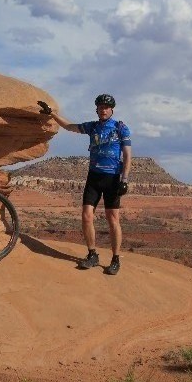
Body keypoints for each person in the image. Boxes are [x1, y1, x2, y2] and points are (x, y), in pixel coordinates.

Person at [38, 94, 132, 275]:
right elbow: (69, 126)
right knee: (86, 216)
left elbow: (128, 155)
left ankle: (115, 259)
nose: (103, 110)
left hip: (112, 178)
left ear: (112, 109)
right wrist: (51, 114)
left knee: (113, 219)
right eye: (100, 107)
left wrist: (125, 180)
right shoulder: (92, 127)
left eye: (106, 107)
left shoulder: (121, 128)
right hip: (94, 177)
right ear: (96, 109)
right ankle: (92, 254)